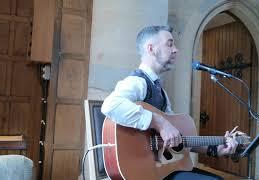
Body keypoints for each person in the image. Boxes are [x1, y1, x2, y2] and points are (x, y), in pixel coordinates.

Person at [101, 25, 243, 180]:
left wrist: (215, 149)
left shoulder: (160, 91)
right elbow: (110, 105)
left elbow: (176, 140)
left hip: (161, 168)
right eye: (170, 44)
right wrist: (160, 122)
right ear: (151, 48)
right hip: (143, 169)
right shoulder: (137, 82)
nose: (176, 50)